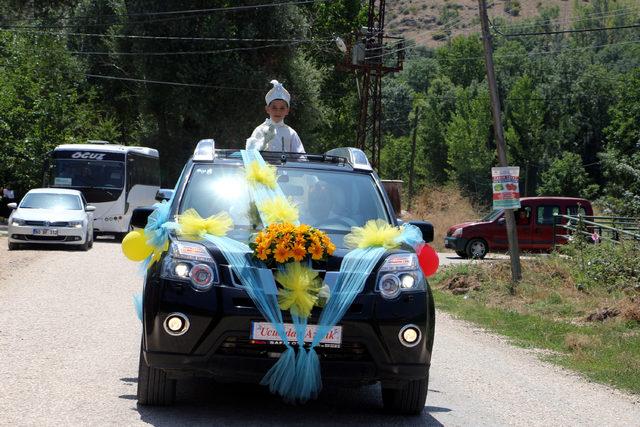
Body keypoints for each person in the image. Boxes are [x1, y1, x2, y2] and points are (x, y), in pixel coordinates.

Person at [246, 80, 305, 153]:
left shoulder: (291, 133)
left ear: (287, 110)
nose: (278, 111)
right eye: (274, 107)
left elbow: (301, 158)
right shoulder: (259, 130)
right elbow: (250, 155)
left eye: (282, 108)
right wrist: (263, 143)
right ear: (267, 109)